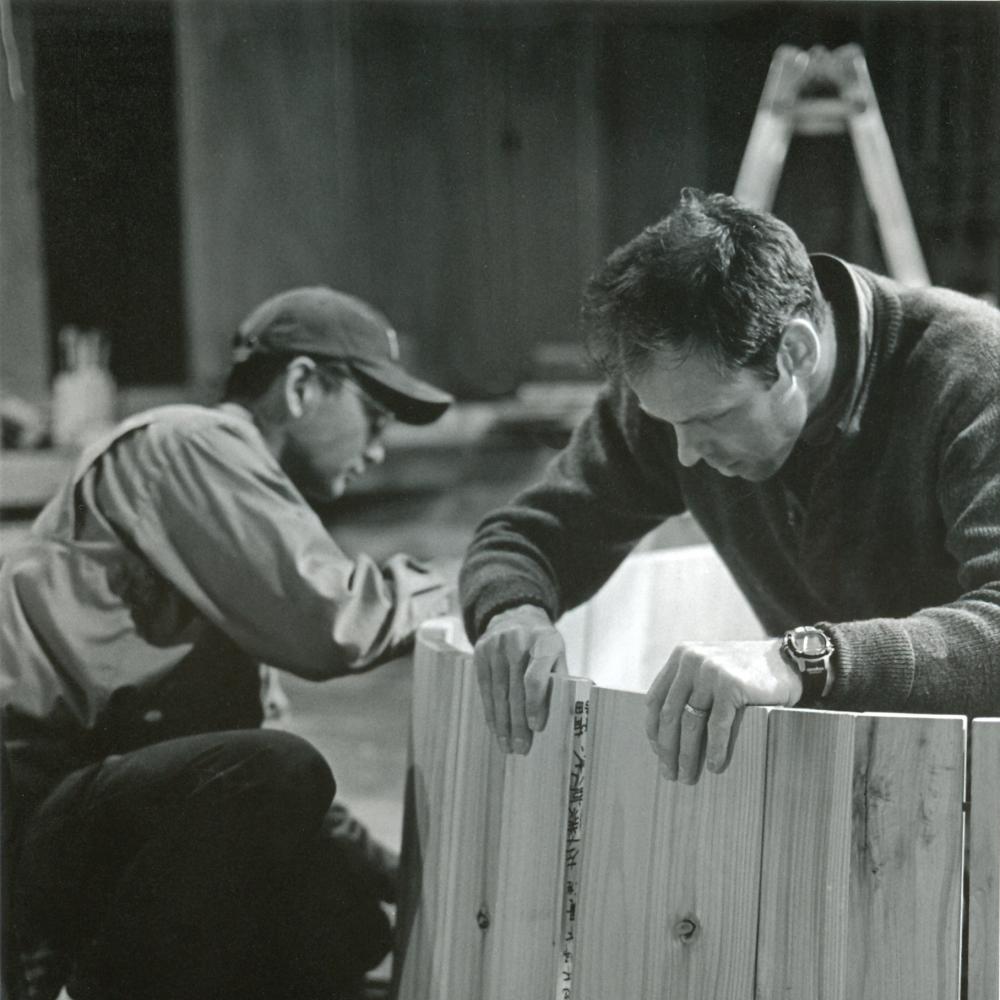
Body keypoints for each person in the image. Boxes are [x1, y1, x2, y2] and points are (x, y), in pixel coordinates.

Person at [461, 187, 1000, 787]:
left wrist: (803, 658)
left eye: (710, 420)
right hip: (851, 777)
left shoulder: (976, 375)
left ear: (794, 351)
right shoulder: (678, 395)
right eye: (672, 426)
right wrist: (514, 613)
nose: (686, 453)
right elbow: (526, 536)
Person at [1, 287, 455, 1000]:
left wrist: (401, 878)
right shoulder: (190, 442)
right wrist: (474, 583)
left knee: (343, 914)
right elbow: (336, 626)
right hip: (31, 811)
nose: (377, 449)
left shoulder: (233, 524)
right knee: (277, 775)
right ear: (304, 385)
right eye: (375, 415)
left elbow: (249, 739)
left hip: (92, 808)